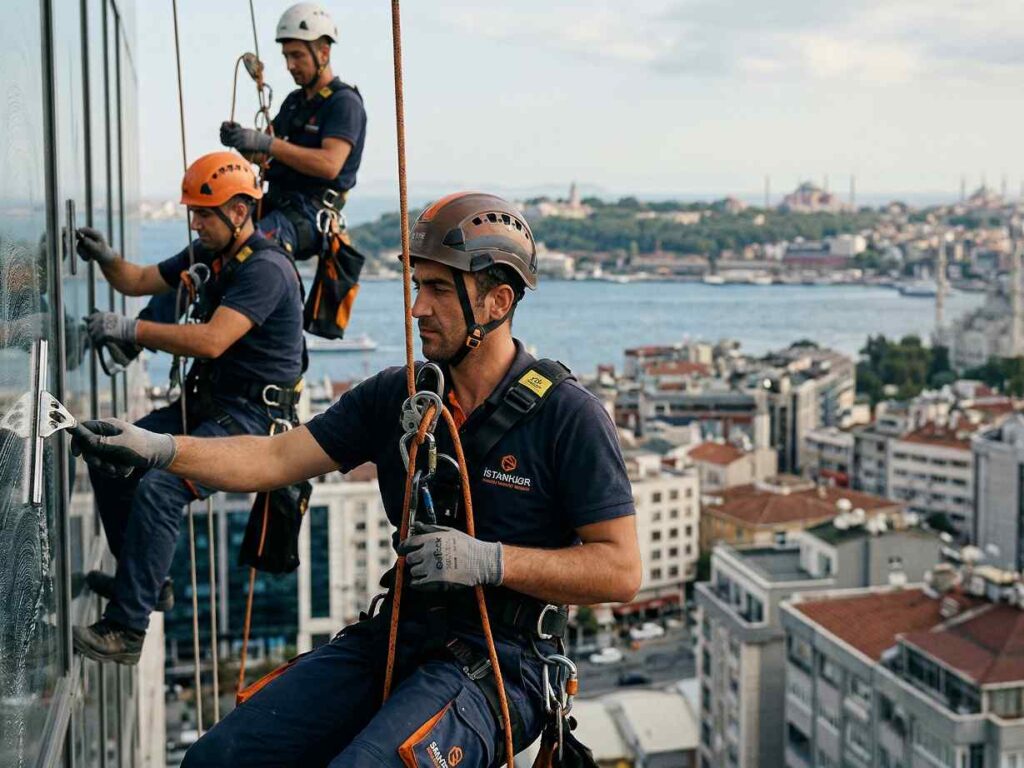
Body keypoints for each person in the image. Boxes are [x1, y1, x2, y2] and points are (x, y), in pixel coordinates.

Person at [71, 192, 641, 765]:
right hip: (400, 633)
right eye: (419, 287)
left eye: (439, 290)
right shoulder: (398, 396)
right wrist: (158, 449)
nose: (418, 309)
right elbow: (274, 459)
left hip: (501, 667)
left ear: (497, 301)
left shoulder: (566, 416)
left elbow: (620, 570)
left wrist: (491, 561)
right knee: (216, 759)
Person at [71, 151, 306, 664]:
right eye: (194, 214)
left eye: (205, 214)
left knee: (160, 483)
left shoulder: (266, 270)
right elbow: (136, 281)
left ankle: (127, 631)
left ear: (240, 212)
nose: (196, 224)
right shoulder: (210, 256)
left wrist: (130, 329)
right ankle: (148, 584)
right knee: (107, 448)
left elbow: (213, 341)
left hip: (251, 421)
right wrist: (106, 257)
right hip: (210, 407)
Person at [220, 2, 367, 260]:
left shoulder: (344, 103)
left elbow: (329, 164)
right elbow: (263, 157)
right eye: (286, 56)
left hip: (310, 214)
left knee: (251, 252)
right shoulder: (294, 103)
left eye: (297, 55)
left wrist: (266, 143)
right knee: (217, 234)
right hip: (276, 202)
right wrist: (242, 142)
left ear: (323, 53)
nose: (289, 65)